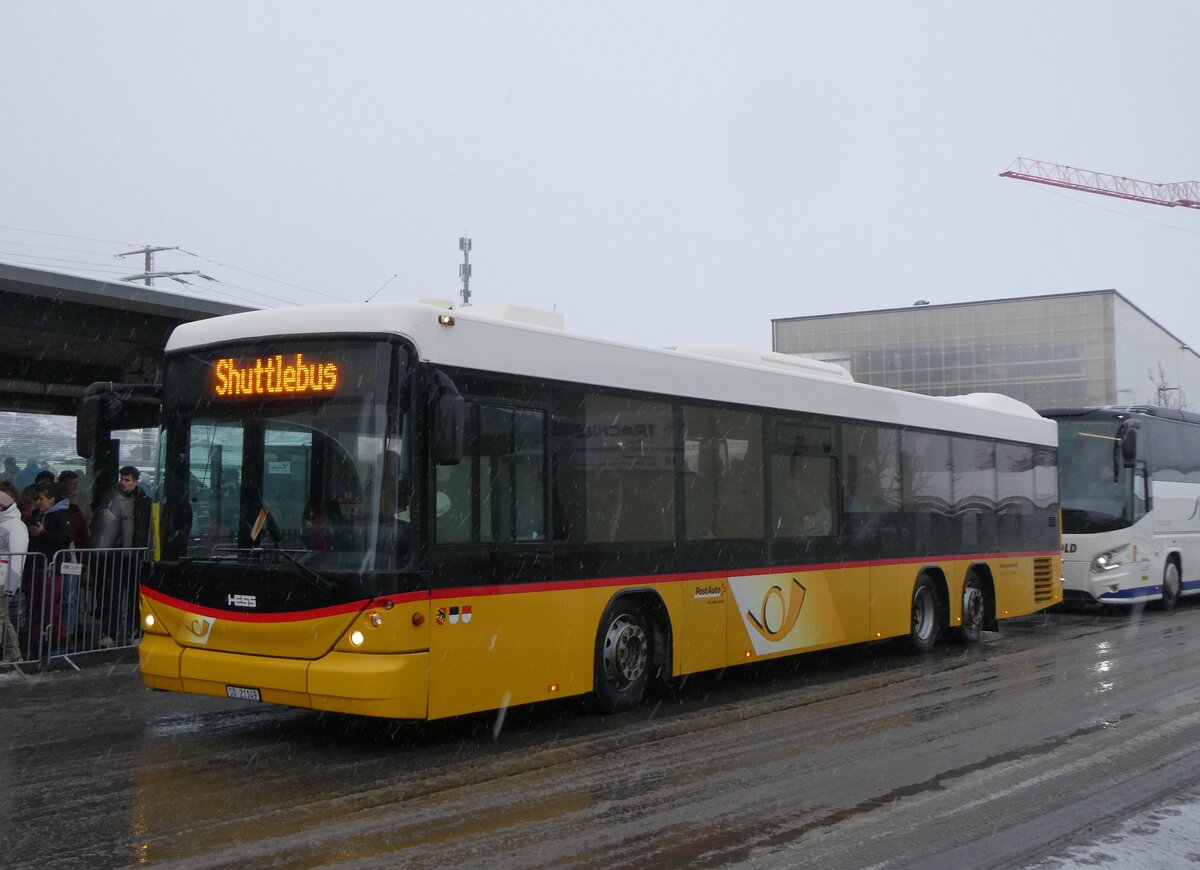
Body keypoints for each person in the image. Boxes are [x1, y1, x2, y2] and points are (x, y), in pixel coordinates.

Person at [91, 466, 151, 550]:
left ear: (135, 482)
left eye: (127, 480)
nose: (123, 482)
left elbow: (148, 527)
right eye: (121, 479)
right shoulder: (109, 499)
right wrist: (103, 519)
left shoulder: (144, 502)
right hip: (115, 549)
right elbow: (94, 525)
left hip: (136, 551)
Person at [0, 489, 28, 663]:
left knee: (1, 616)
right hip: (2, 578)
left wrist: (11, 585)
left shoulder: (16, 526)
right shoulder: (7, 524)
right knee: (4, 617)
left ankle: (13, 654)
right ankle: (13, 654)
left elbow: (18, 557)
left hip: (2, 579)